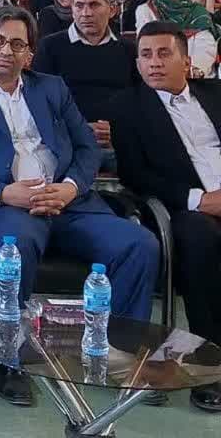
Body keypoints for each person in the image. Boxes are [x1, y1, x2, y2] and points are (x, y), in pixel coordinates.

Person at [0, 6, 159, 407]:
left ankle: (118, 355)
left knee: (139, 245)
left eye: (17, 44)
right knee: (14, 250)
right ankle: (10, 360)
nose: (6, 50)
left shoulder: (51, 88)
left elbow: (87, 148)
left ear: (29, 53)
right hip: (12, 205)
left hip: (70, 202)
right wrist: (4, 193)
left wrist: (70, 188)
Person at [110, 22, 221, 413]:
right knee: (198, 237)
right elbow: (135, 175)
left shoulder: (216, 94)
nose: (154, 63)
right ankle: (211, 362)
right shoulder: (128, 107)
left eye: (163, 53)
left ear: (186, 61)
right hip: (187, 209)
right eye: (146, 55)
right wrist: (200, 200)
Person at [32, 0, 134, 160]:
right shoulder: (50, 47)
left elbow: (140, 101)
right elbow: (38, 101)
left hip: (121, 142)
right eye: (79, 6)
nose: (85, 13)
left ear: (112, 9)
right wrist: (80, 129)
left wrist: (120, 129)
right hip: (68, 141)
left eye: (94, 5)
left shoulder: (129, 50)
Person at [135, 0, 219, 77]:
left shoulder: (197, 12)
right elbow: (147, 47)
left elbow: (205, 48)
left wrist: (191, 72)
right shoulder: (146, 10)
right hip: (157, 74)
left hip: (194, 76)